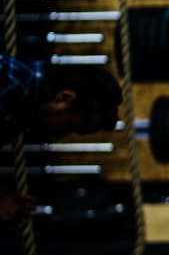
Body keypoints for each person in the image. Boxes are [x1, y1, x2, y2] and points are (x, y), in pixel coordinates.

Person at [0, 55, 123, 227]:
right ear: (64, 97)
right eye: (69, 126)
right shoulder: (11, 86)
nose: (60, 136)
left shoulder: (22, 97)